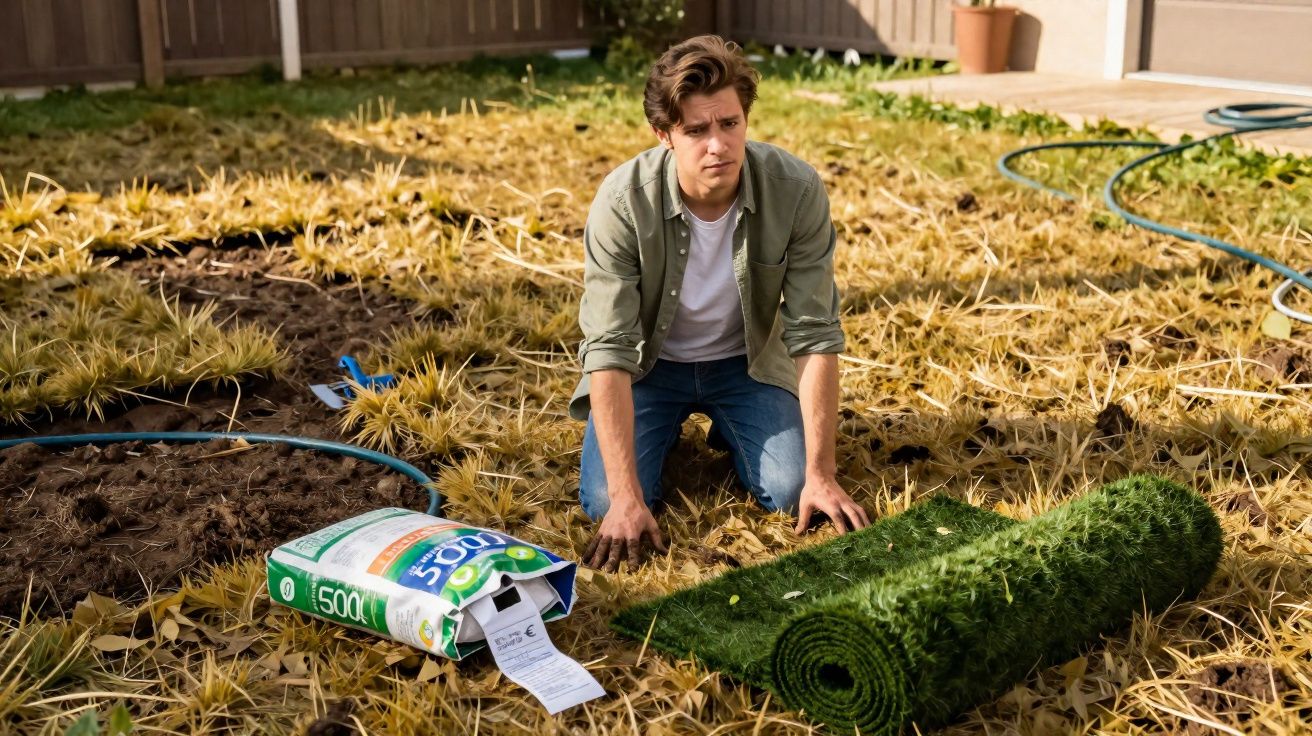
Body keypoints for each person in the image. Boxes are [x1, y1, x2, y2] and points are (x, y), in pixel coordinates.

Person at [570, 35, 869, 573]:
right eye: (696, 130)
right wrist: (625, 499)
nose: (718, 145)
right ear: (663, 134)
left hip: (746, 365)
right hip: (649, 369)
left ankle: (734, 425)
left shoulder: (795, 189)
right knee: (601, 501)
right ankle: (663, 435)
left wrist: (822, 474)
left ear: (746, 119)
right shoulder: (622, 202)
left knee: (793, 488)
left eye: (729, 124)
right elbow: (609, 350)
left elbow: (815, 332)